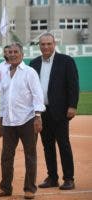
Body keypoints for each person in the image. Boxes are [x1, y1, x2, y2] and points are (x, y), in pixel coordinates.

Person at [0, 43, 45, 199]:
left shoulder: (30, 72)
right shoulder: (5, 73)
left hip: (27, 119)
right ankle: (5, 188)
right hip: (8, 122)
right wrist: (1, 121)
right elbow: (3, 99)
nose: (13, 54)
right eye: (10, 52)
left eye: (16, 52)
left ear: (22, 54)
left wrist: (38, 116)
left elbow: (37, 95)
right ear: (7, 55)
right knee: (6, 156)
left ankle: (29, 189)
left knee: (30, 155)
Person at [29, 33, 79, 190]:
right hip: (42, 112)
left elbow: (73, 85)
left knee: (63, 144)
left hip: (60, 111)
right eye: (43, 44)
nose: (46, 47)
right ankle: (52, 177)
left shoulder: (66, 61)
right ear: (39, 45)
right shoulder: (34, 63)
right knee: (47, 145)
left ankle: (69, 178)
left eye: (49, 44)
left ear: (54, 44)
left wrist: (72, 105)